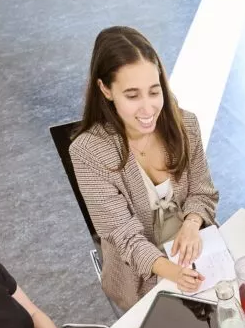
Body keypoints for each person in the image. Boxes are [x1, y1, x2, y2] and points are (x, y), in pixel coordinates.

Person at [70, 26, 218, 312]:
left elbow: (203, 192)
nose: (149, 109)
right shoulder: (88, 153)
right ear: (105, 89)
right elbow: (125, 238)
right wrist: (175, 273)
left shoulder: (186, 125)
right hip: (140, 279)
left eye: (154, 91)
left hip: (200, 252)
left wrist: (191, 224)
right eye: (132, 95)